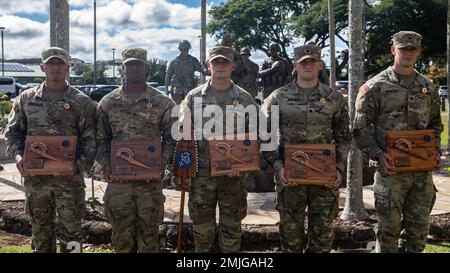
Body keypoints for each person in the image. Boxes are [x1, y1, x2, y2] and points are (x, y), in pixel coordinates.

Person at [353, 31, 442, 253]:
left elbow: (435, 125)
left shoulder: (428, 87)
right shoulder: (375, 87)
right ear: (393, 50)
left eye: (412, 50)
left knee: (418, 231)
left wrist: (435, 151)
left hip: (421, 174)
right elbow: (360, 128)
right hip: (390, 172)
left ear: (418, 52)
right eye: (403, 49)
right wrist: (378, 154)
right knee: (388, 231)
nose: (408, 54)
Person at [5, 47, 97, 253]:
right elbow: (12, 133)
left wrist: (77, 166)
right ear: (42, 67)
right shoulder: (26, 99)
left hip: (69, 182)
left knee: (72, 235)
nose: (55, 67)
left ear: (68, 67)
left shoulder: (81, 102)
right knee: (41, 233)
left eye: (60, 63)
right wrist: (19, 157)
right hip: (37, 182)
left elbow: (91, 140)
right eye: (51, 63)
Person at [263, 44, 351, 252]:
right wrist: (278, 167)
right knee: (290, 236)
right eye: (303, 63)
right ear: (296, 66)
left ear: (320, 65)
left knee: (322, 236)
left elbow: (344, 136)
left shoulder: (334, 98)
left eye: (312, 62)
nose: (308, 66)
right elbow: (266, 136)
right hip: (290, 178)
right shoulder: (278, 97)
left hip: (324, 178)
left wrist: (338, 168)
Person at [177, 46, 257, 252]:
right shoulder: (193, 98)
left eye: (224, 62)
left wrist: (246, 166)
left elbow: (256, 136)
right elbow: (182, 135)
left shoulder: (245, 99)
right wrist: (181, 171)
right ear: (208, 66)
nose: (220, 66)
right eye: (216, 62)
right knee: (202, 233)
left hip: (234, 177)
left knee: (231, 233)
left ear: (233, 66)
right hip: (202, 177)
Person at [96, 48, 176, 253]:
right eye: (129, 64)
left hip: (149, 184)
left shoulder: (162, 102)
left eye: (138, 64)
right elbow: (100, 139)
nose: (134, 68)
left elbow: (171, 138)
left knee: (149, 237)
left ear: (146, 67)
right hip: (119, 183)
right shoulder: (108, 102)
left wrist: (163, 163)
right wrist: (106, 164)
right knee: (121, 237)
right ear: (123, 67)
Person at [165, 40, 208, 104]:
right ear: (180, 49)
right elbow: (168, 77)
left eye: (186, 49)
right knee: (176, 110)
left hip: (190, 90)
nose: (184, 51)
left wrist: (207, 70)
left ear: (188, 49)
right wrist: (167, 90)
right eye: (182, 49)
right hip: (177, 91)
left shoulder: (193, 61)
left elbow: (202, 70)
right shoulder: (174, 62)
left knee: (191, 109)